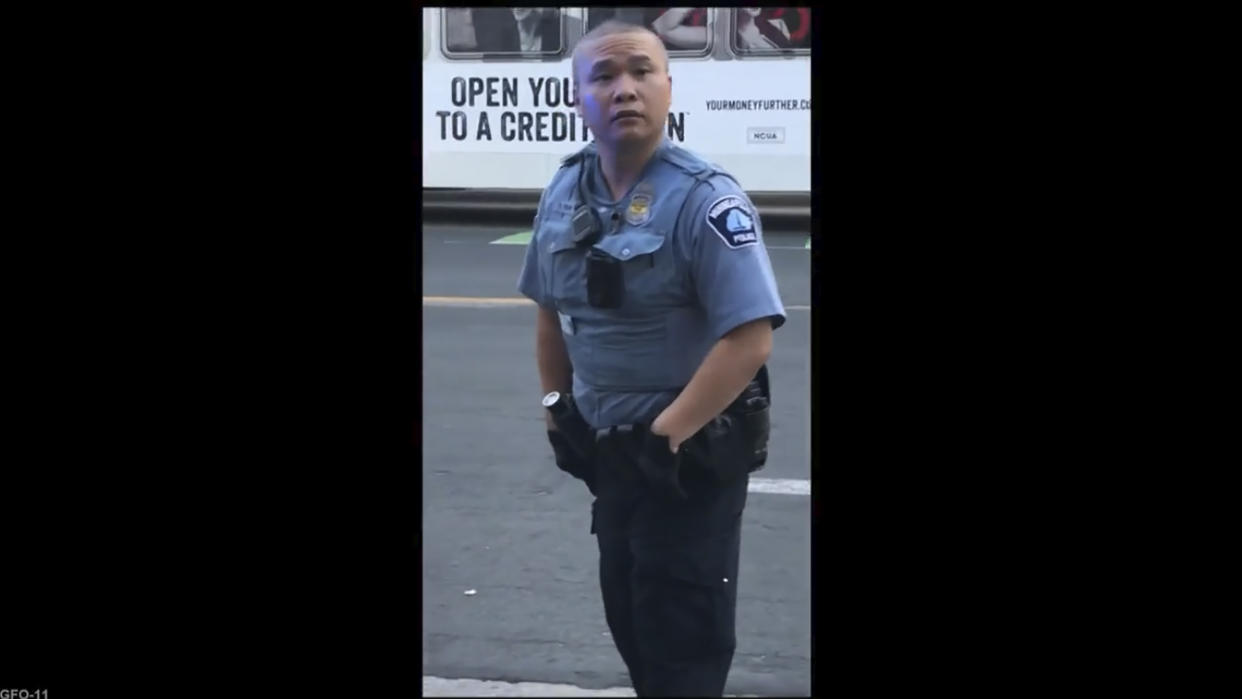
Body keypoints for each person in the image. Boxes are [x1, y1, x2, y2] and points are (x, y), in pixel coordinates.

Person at [516, 20, 786, 697]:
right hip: (610, 458)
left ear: (670, 87)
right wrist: (558, 410)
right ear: (577, 97)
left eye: (641, 71)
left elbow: (750, 336)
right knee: (632, 618)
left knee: (683, 643)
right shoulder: (565, 189)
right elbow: (551, 309)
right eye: (603, 77)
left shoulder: (704, 198)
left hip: (686, 462)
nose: (624, 89)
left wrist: (665, 438)